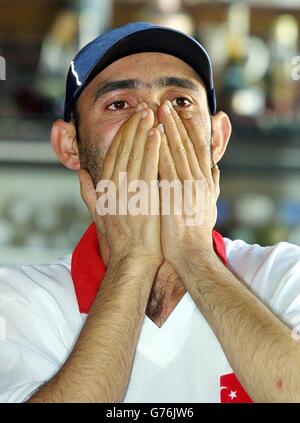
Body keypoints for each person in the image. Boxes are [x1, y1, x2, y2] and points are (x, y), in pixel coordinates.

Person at [1, 21, 300, 404]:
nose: (157, 123)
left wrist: (195, 256)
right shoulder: (16, 301)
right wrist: (132, 261)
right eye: (120, 104)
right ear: (69, 145)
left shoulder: (284, 275)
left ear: (218, 137)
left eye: (180, 102)